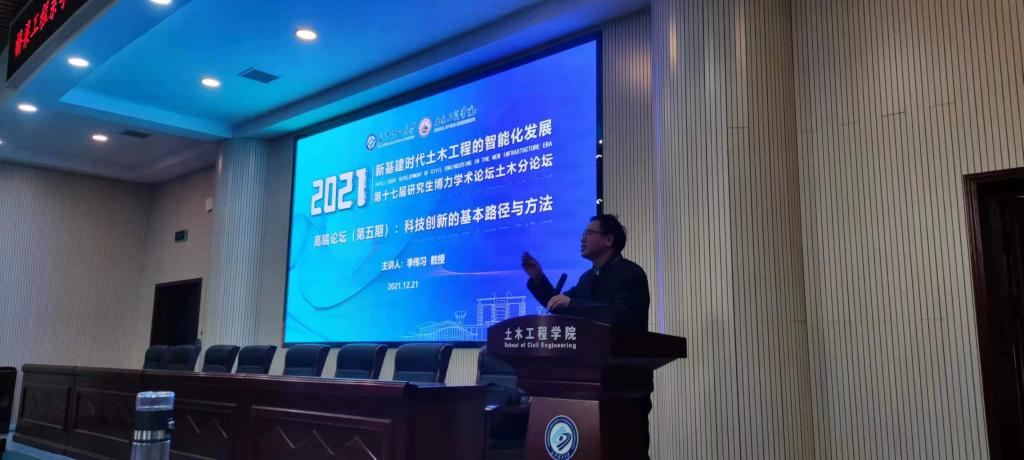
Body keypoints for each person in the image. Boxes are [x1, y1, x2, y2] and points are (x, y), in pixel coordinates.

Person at [521, 214, 650, 331]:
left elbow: (619, 316)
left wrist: (571, 303)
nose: (582, 239)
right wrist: (538, 277)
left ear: (608, 240)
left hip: (622, 348)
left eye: (589, 233)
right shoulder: (587, 278)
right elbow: (557, 304)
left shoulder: (631, 274)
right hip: (588, 347)